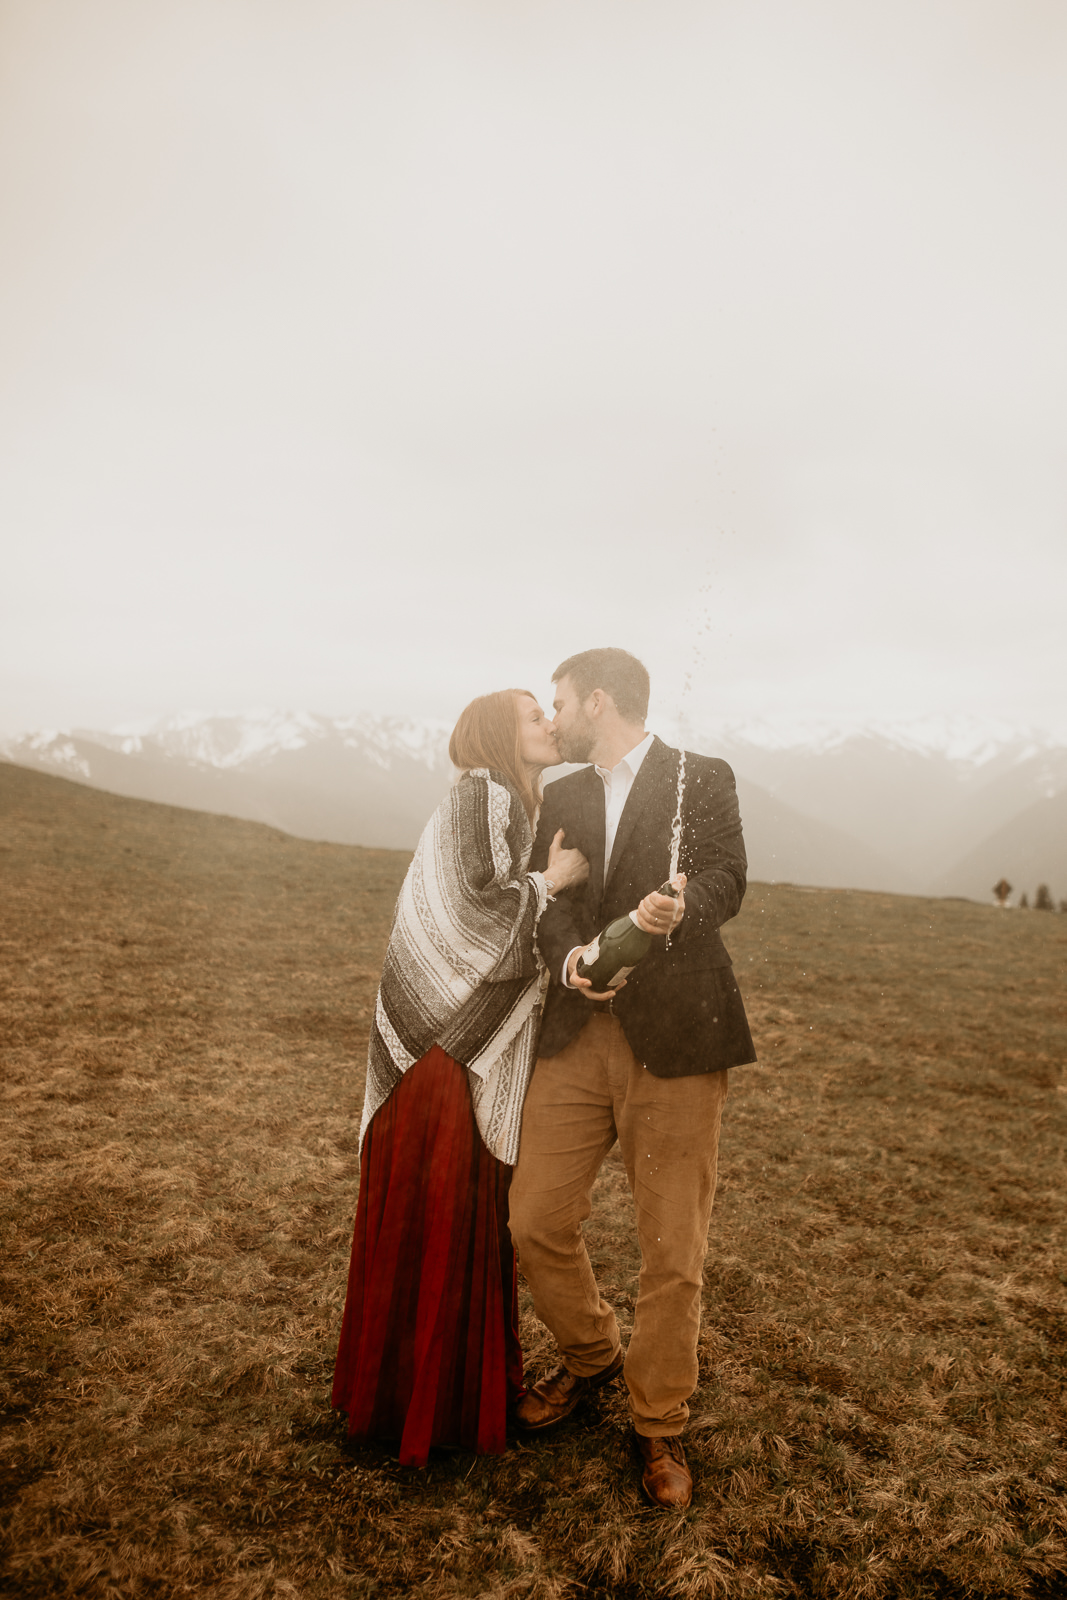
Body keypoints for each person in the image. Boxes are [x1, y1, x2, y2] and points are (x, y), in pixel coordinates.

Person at [509, 648, 756, 1509]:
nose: (555, 715)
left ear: (598, 701)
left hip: (680, 1041)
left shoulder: (702, 777)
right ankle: (591, 1356)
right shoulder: (563, 794)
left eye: (561, 701)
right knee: (534, 1217)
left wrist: (684, 908)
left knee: (671, 1250)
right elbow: (559, 905)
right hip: (576, 1036)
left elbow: (728, 876)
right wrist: (574, 957)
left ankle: (657, 1424)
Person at [332, 689, 588, 1467]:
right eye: (533, 716)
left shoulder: (502, 796)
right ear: (496, 735)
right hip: (446, 1051)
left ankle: (410, 1398)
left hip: (438, 1046)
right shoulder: (485, 792)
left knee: (441, 1216)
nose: (549, 723)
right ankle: (432, 1409)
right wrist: (554, 881)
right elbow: (480, 912)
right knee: (446, 1213)